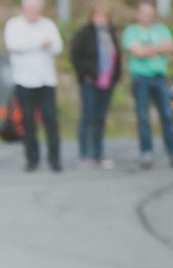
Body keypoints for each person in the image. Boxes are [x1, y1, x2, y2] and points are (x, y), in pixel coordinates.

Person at [123, 0, 173, 170]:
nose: (147, 17)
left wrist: (148, 50)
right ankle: (146, 153)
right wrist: (158, 49)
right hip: (141, 78)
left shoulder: (161, 29)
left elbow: (171, 47)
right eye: (144, 13)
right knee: (143, 117)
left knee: (167, 115)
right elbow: (138, 52)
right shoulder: (131, 31)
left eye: (150, 13)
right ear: (138, 14)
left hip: (160, 77)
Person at [5, 0, 65, 173]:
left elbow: (57, 47)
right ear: (24, 9)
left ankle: (55, 160)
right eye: (30, 8)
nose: (33, 12)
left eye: (37, 9)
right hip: (24, 81)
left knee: (51, 120)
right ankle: (32, 159)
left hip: (46, 80)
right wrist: (39, 43)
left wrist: (43, 44)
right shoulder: (14, 25)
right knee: (28, 122)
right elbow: (14, 46)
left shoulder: (48, 25)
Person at [71, 3, 123, 168]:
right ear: (92, 17)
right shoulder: (84, 34)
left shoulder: (110, 34)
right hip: (90, 82)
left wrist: (116, 76)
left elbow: (116, 57)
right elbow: (75, 55)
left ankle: (98, 154)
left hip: (107, 82)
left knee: (100, 118)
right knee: (88, 117)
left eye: (104, 16)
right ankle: (85, 155)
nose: (101, 19)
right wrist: (85, 74)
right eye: (98, 16)